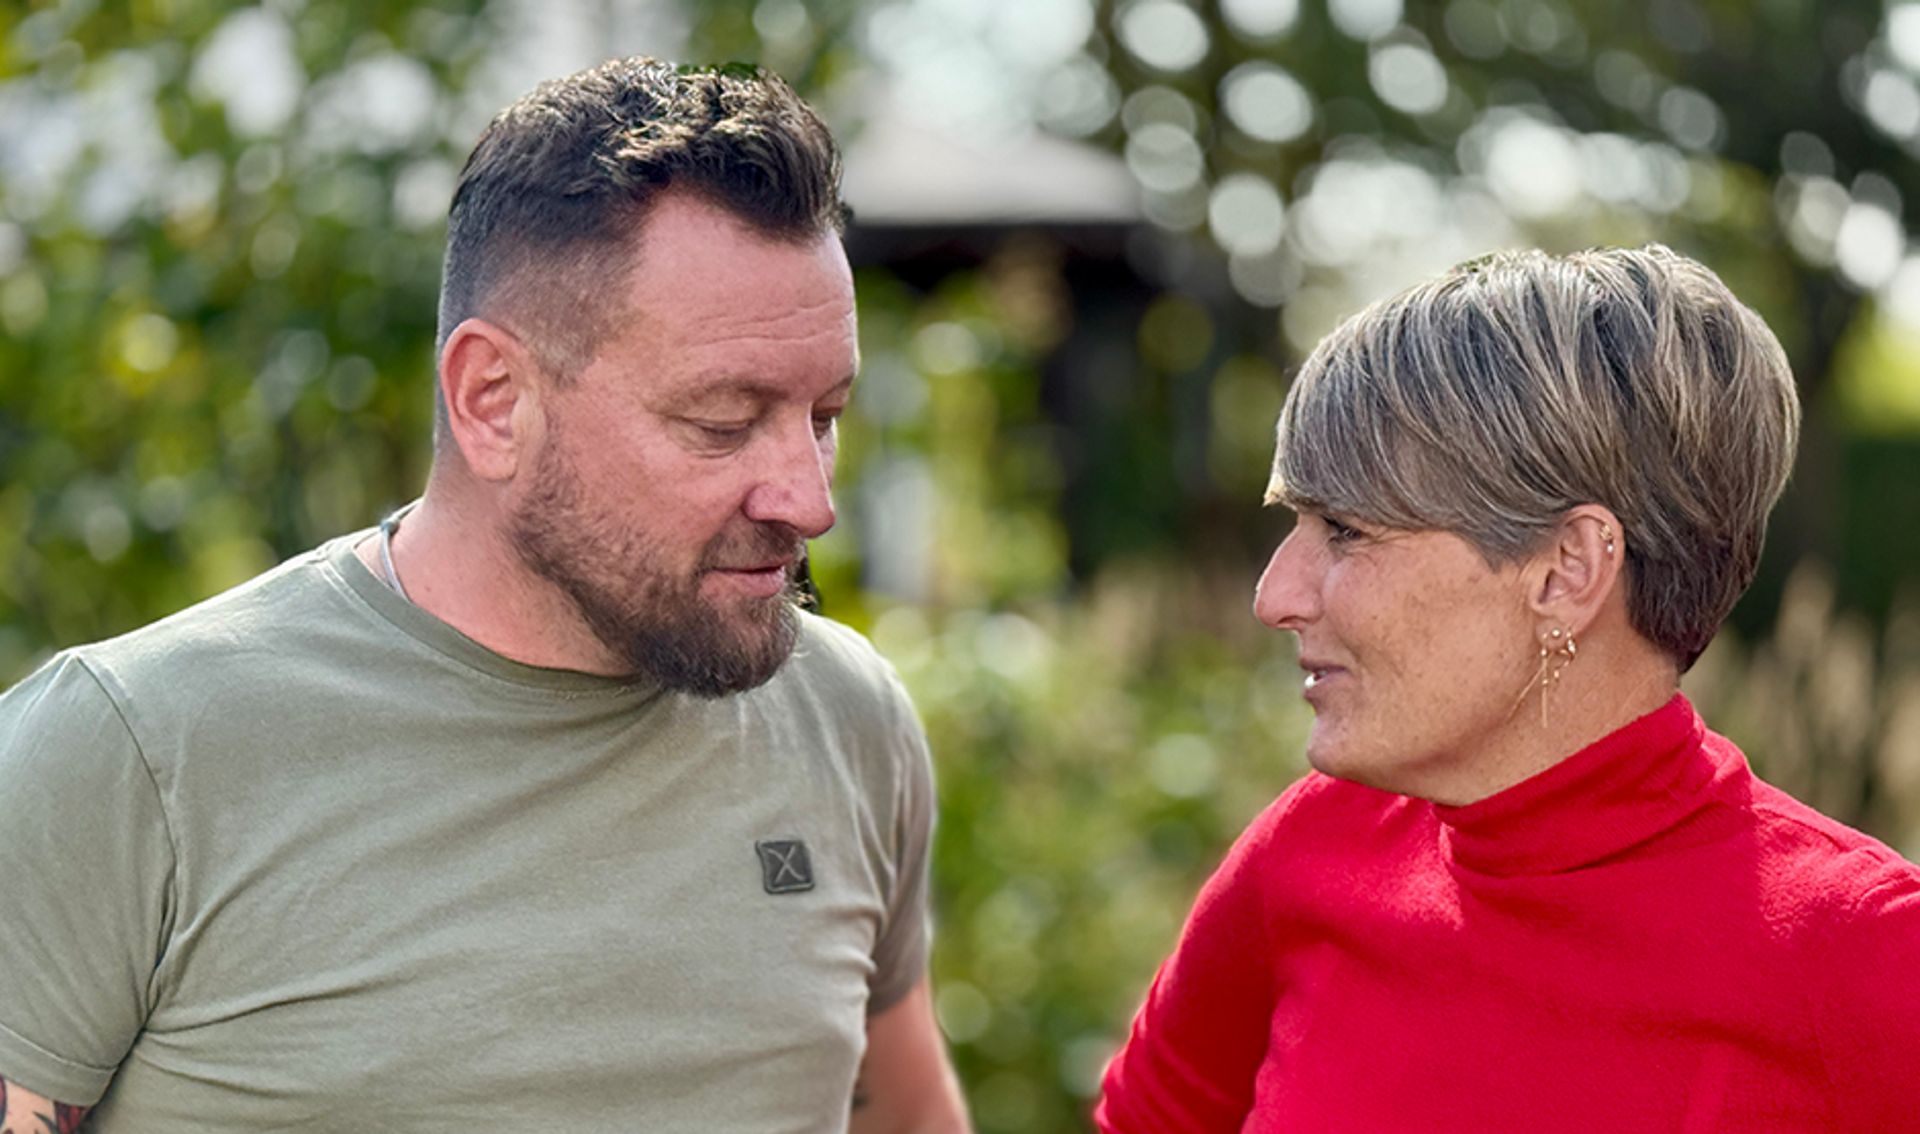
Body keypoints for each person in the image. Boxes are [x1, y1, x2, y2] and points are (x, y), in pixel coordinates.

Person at [0, 57, 969, 1133]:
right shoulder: (129, 757)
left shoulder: (845, 721)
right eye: (723, 422)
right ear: (494, 401)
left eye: (824, 417)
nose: (810, 499)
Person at [1096, 246, 1920, 1132]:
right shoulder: (1312, 849)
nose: (1274, 597)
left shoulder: (1868, 956)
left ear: (1567, 570)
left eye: (1344, 530)